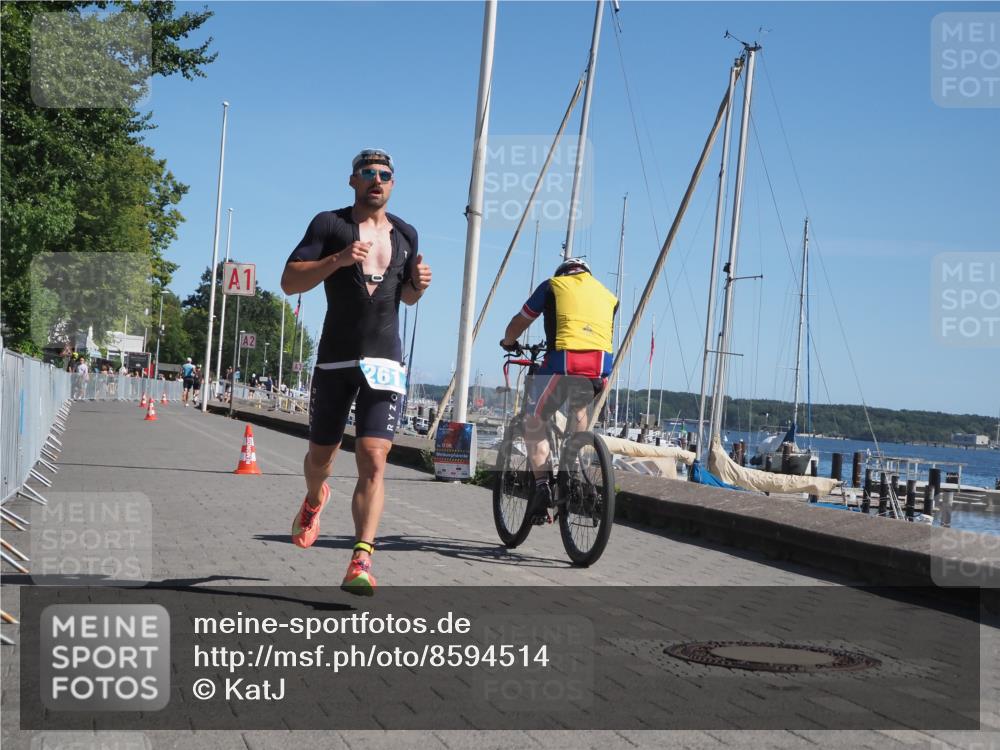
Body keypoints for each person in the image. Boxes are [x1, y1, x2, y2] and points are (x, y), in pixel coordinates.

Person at [280, 148, 431, 596]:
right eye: (368, 173)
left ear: (392, 183)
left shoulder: (406, 233)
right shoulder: (330, 224)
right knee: (320, 461)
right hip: (335, 360)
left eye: (385, 174)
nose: (376, 180)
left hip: (384, 362)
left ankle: (361, 558)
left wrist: (417, 288)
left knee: (373, 458)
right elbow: (290, 281)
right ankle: (313, 500)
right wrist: (338, 260)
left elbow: (403, 298)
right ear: (353, 181)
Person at [500, 257, 618, 524]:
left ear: (564, 273)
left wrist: (509, 341)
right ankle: (573, 466)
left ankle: (542, 486)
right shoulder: (607, 295)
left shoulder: (552, 286)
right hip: (599, 370)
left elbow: (521, 321)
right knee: (579, 406)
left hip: (563, 364)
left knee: (533, 419)